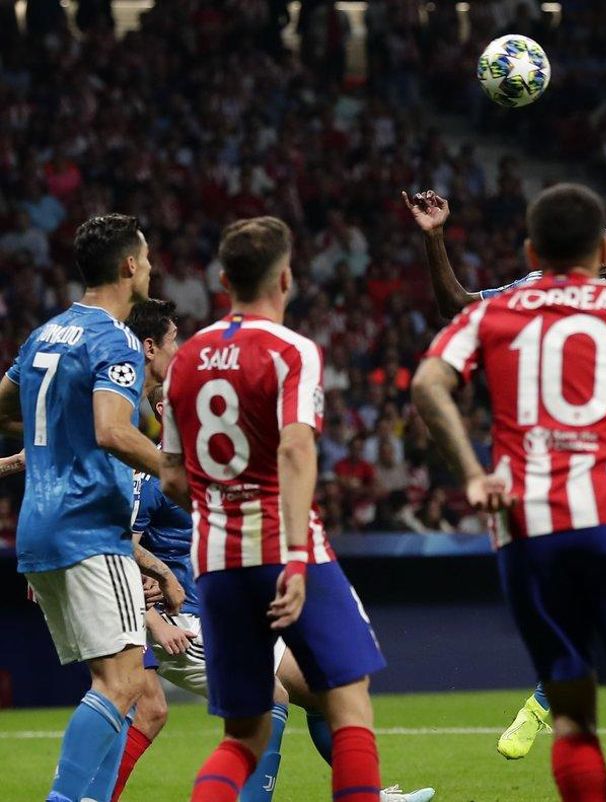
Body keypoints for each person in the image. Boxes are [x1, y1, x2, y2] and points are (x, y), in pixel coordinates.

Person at [411, 183, 606, 801]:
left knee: (574, 710)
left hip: (527, 522)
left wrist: (473, 477)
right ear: (605, 247)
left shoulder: (508, 303)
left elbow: (428, 380)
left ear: (531, 247)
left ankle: (550, 698)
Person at [114, 300, 433, 802]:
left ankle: (368, 794)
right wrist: (155, 618)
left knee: (325, 693)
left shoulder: (211, 469)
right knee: (268, 701)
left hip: (236, 606)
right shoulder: (151, 476)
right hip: (191, 618)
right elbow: (120, 546)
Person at [161, 217, 389, 802]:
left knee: (243, 733)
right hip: (286, 551)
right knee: (349, 702)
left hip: (214, 559)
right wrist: (291, 554)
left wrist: (220, 502)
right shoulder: (292, 351)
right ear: (285, 277)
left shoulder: (185, 361)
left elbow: (169, 479)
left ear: (221, 278)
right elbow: (295, 446)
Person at [0, 214, 172, 802]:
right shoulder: (115, 338)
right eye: (145, 259)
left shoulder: (46, 333)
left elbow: (8, 402)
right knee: (123, 683)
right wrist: (179, 471)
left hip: (38, 529)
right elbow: (112, 431)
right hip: (90, 529)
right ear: (129, 265)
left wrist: (51, 439)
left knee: (118, 687)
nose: (149, 268)